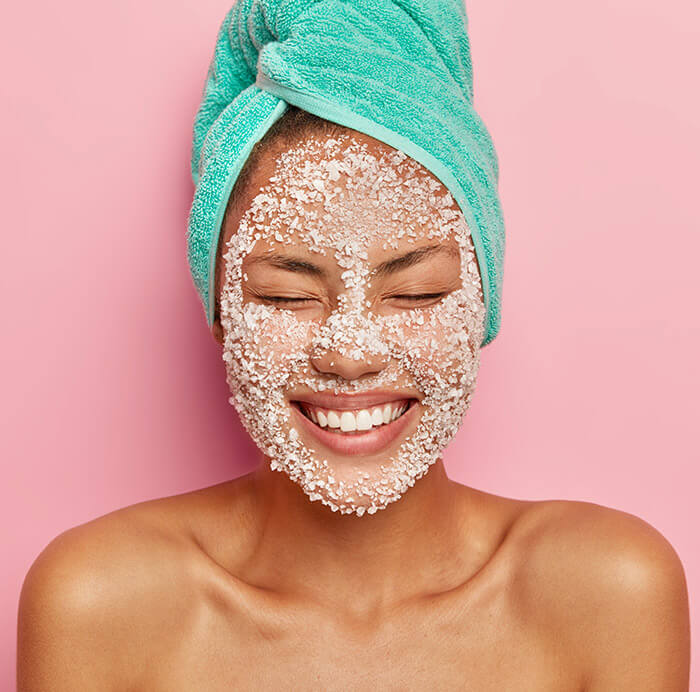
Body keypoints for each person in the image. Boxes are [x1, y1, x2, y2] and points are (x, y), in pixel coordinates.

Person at [17, 105, 690, 690]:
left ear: (482, 308)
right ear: (222, 316)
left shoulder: (607, 592)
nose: (351, 352)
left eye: (418, 291)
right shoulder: (99, 604)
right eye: (286, 296)